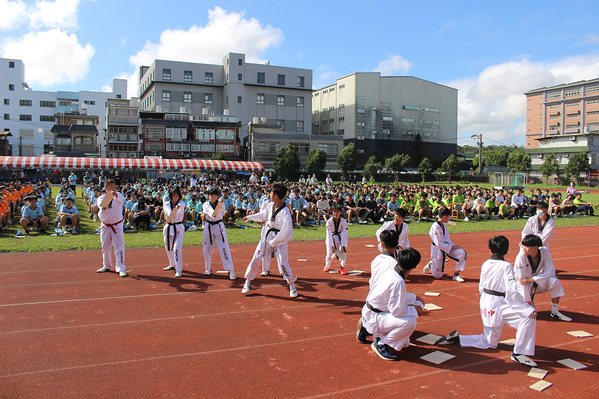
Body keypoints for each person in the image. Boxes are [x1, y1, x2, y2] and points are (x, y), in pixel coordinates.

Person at [435, 235, 538, 367]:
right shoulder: (506, 266)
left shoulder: (485, 263)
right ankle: (519, 353)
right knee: (528, 317)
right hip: (498, 303)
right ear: (506, 250)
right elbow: (511, 291)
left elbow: (481, 286)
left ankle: (458, 338)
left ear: (490, 250)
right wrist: (526, 308)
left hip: (487, 301)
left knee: (490, 343)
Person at [358, 247, 424, 361]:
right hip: (376, 316)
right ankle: (381, 343)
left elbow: (397, 296)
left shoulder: (392, 271)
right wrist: (415, 310)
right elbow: (396, 310)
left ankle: (367, 328)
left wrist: (415, 298)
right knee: (410, 322)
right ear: (414, 267)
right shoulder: (398, 281)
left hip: (371, 310)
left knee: (405, 343)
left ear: (397, 260)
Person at [242, 183, 298, 298]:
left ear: (276, 195)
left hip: (280, 238)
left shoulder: (285, 211)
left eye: (271, 192)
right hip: (267, 235)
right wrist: (249, 217)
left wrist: (275, 241)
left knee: (283, 263)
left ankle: (292, 286)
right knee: (256, 257)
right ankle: (248, 282)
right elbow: (262, 215)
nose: (269, 194)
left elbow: (287, 230)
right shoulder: (270, 205)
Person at [514, 234, 572, 322]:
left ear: (535, 247)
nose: (523, 248)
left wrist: (534, 279)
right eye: (523, 246)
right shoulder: (521, 257)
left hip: (536, 281)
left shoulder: (545, 252)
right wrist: (530, 306)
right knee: (523, 285)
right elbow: (521, 280)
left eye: (527, 246)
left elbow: (550, 271)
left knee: (555, 281)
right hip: (523, 286)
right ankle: (526, 307)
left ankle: (555, 312)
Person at [423, 207, 466, 282]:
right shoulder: (435, 227)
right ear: (445, 217)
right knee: (438, 276)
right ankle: (431, 264)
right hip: (438, 249)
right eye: (449, 217)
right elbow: (438, 243)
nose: (449, 219)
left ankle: (456, 275)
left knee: (462, 253)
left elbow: (447, 239)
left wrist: (453, 247)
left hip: (447, 247)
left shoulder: (444, 225)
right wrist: (452, 246)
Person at [96, 180, 128, 277]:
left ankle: (121, 267)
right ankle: (107, 265)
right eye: (111, 187)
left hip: (117, 225)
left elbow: (121, 200)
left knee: (119, 247)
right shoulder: (100, 198)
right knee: (105, 247)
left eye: (114, 187)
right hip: (106, 226)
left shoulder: (119, 195)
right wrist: (109, 195)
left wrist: (113, 194)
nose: (113, 189)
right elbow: (103, 206)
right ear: (106, 189)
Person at [203, 188, 236, 279]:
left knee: (224, 248)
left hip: (218, 226)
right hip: (209, 226)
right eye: (211, 195)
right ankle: (207, 268)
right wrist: (219, 205)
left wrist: (220, 204)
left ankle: (231, 270)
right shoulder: (206, 204)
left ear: (217, 196)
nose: (213, 197)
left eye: (215, 195)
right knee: (207, 249)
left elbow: (220, 214)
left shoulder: (221, 203)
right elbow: (212, 214)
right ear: (208, 196)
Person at [162, 187, 186, 278]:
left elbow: (179, 211)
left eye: (177, 196)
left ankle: (179, 269)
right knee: (168, 248)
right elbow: (168, 212)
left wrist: (177, 209)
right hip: (168, 227)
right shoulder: (166, 204)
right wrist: (173, 211)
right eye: (173, 196)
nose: (175, 198)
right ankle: (172, 264)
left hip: (178, 227)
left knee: (176, 248)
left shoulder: (182, 204)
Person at [323, 203, 349, 274]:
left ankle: (342, 267)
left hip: (340, 237)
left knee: (342, 252)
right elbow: (328, 235)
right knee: (329, 254)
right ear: (332, 212)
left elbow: (344, 234)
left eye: (337, 211)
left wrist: (342, 245)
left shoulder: (343, 222)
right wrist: (332, 247)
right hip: (331, 237)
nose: (335, 213)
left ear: (340, 212)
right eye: (334, 211)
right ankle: (327, 266)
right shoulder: (329, 222)